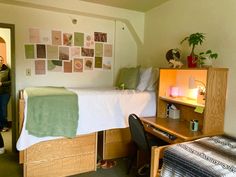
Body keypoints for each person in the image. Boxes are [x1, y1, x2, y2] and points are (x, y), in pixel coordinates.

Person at [0, 56, 11, 132]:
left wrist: (2, 83)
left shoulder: (7, 70)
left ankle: (5, 125)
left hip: (5, 93)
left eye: (1, 60)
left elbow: (11, 81)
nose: (0, 61)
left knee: (3, 109)